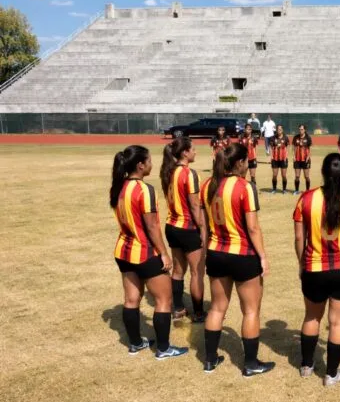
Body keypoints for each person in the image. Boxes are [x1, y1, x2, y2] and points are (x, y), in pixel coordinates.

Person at [293, 153, 340, 386]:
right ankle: (331, 374)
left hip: (314, 268)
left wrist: (302, 264)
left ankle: (306, 366)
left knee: (312, 317)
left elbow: (299, 238)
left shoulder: (306, 199)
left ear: (323, 172)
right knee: (338, 323)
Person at [200, 143, 275, 376]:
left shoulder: (208, 185)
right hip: (242, 255)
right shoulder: (245, 187)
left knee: (216, 308)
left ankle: (210, 360)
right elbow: (253, 228)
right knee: (251, 311)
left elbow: (203, 226)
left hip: (215, 252)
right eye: (247, 161)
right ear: (240, 163)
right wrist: (263, 257)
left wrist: (205, 253)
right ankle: (251, 364)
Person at [110, 145, 189, 359]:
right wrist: (163, 253)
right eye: (149, 161)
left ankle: (135, 343)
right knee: (164, 299)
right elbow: (152, 226)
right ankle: (163, 348)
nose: (152, 164)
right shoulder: (144, 190)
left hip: (123, 251)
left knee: (131, 299)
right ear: (140, 165)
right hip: (144, 252)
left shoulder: (119, 187)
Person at [159, 136, 207, 322]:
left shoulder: (168, 171)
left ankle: (178, 308)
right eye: (193, 148)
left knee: (178, 271)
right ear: (185, 152)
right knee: (197, 272)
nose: (195, 151)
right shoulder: (189, 174)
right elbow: (195, 206)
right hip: (187, 228)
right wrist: (202, 228)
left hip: (172, 226)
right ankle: (199, 313)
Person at [270, 124, 290, 194]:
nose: (279, 130)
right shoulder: (273, 138)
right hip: (275, 159)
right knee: (274, 175)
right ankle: (274, 189)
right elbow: (271, 147)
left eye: (280, 129)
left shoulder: (285, 138)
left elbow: (287, 147)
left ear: (282, 130)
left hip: (283, 159)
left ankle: (284, 189)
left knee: (283, 175)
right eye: (278, 129)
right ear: (276, 130)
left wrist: (286, 155)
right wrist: (271, 156)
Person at [293, 124, 313, 194]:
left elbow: (310, 148)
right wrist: (294, 156)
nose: (300, 130)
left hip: (305, 160)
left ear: (304, 130)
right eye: (299, 129)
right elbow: (295, 147)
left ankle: (307, 190)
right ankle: (296, 190)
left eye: (301, 129)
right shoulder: (296, 137)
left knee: (306, 176)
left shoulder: (308, 138)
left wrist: (308, 157)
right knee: (297, 176)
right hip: (297, 160)